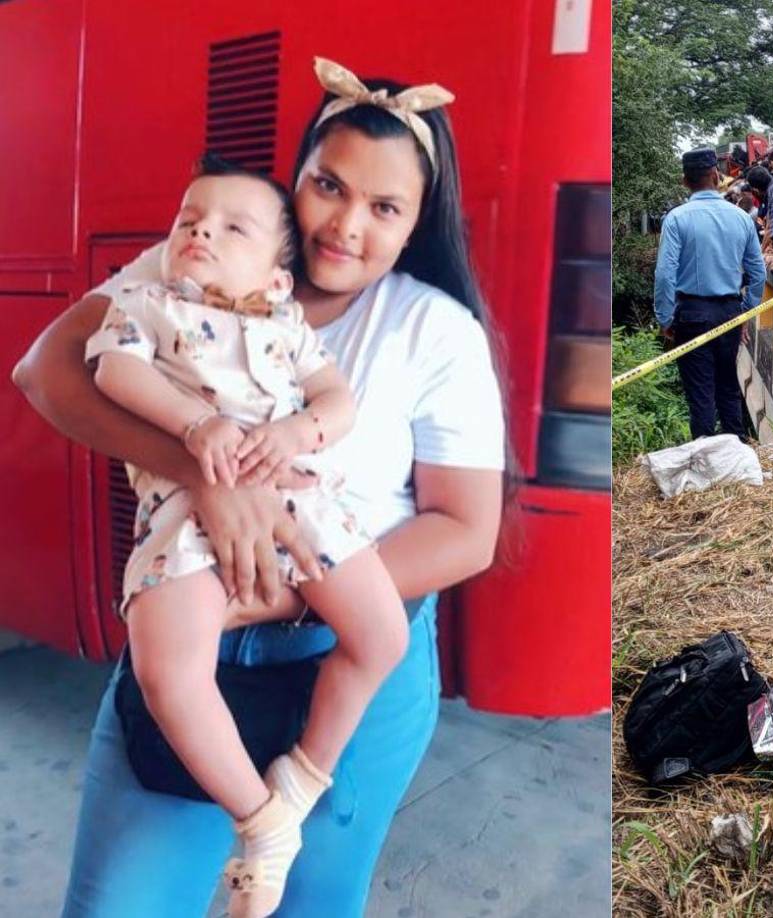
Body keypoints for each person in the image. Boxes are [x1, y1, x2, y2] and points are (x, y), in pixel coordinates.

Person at [14, 57, 506, 916]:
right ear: (297, 177)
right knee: (116, 905)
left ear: (417, 222)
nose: (346, 225)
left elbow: (466, 529)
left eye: (385, 208)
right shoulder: (191, 266)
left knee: (313, 904)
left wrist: (283, 590)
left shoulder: (434, 329)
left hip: (349, 660)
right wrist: (206, 477)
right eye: (328, 185)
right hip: (193, 649)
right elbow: (45, 371)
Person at [85, 155, 414, 915]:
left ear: (274, 275)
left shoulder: (286, 322)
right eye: (188, 219)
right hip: (186, 517)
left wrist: (303, 427)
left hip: (301, 503)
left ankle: (302, 776)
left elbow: (337, 398)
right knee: (166, 669)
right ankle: (261, 821)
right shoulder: (146, 300)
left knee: (381, 634)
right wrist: (196, 424)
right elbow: (112, 375)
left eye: (234, 227)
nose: (202, 231)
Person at [655, 148, 766, 440]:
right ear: (716, 176)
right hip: (729, 312)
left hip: (691, 314)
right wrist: (745, 311)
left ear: (684, 181)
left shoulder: (676, 219)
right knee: (729, 386)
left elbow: (665, 275)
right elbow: (759, 274)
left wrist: (665, 318)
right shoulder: (741, 218)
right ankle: (738, 453)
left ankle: (705, 462)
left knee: (700, 393)